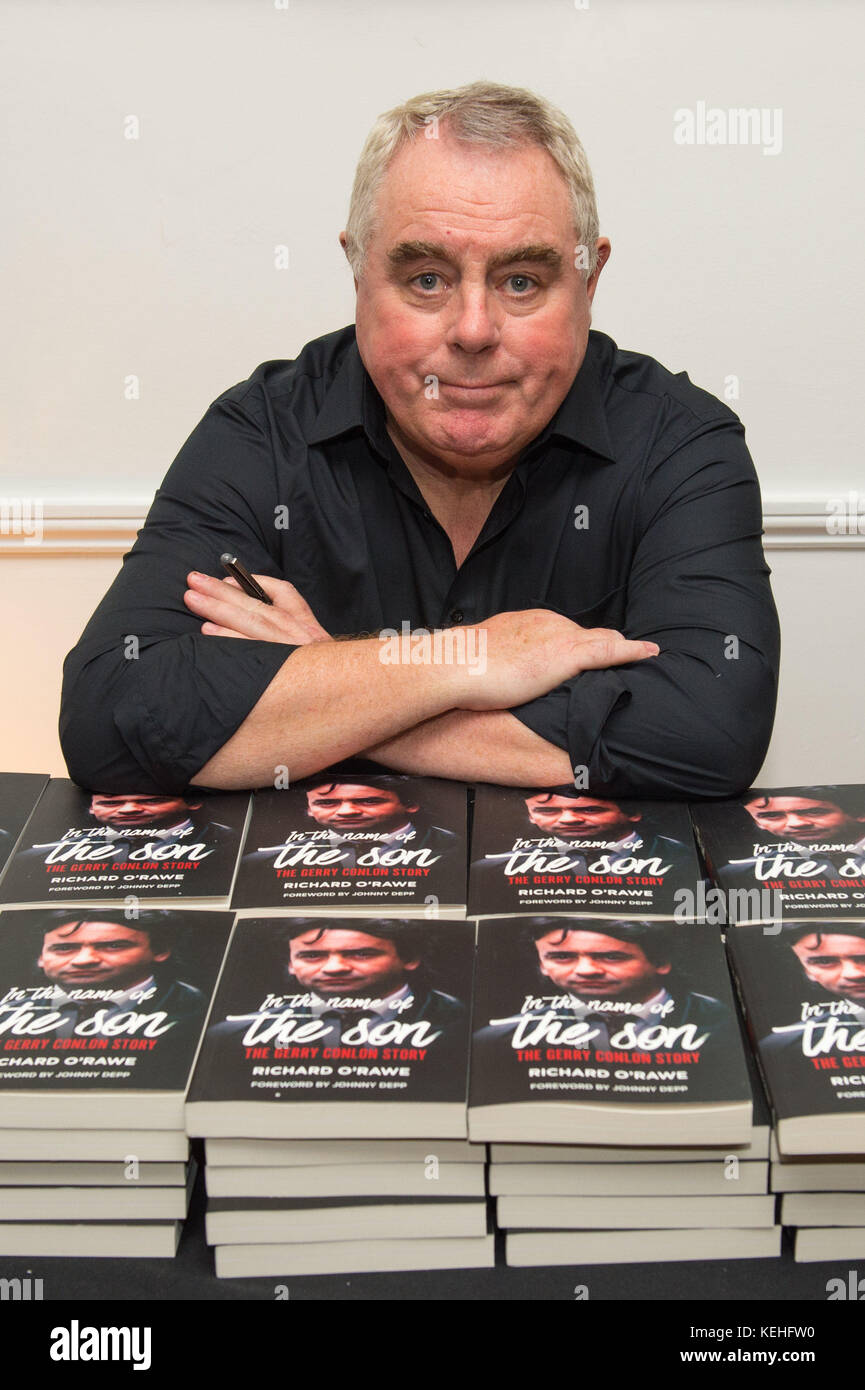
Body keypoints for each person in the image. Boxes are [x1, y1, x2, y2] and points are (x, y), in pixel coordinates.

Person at [59, 80, 779, 799]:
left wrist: (333, 681)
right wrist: (466, 661)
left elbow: (705, 733)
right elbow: (110, 718)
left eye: (522, 281)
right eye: (427, 278)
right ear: (358, 269)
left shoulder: (680, 443)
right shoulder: (260, 433)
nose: (472, 329)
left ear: (589, 280)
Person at [476, 919, 733, 1052]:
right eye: (562, 957)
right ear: (542, 965)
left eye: (611, 956)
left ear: (661, 962)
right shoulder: (501, 1039)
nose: (586, 970)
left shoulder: (725, 1025)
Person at [211, 921, 465, 1048]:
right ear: (290, 963)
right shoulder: (233, 1035)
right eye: (312, 956)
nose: (335, 968)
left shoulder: (463, 1024)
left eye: (361, 954)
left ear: (409, 958)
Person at [24, 910, 203, 1036]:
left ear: (160, 951)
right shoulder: (5, 1014)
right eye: (64, 948)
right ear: (41, 956)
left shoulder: (202, 1010)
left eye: (113, 946)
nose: (84, 960)